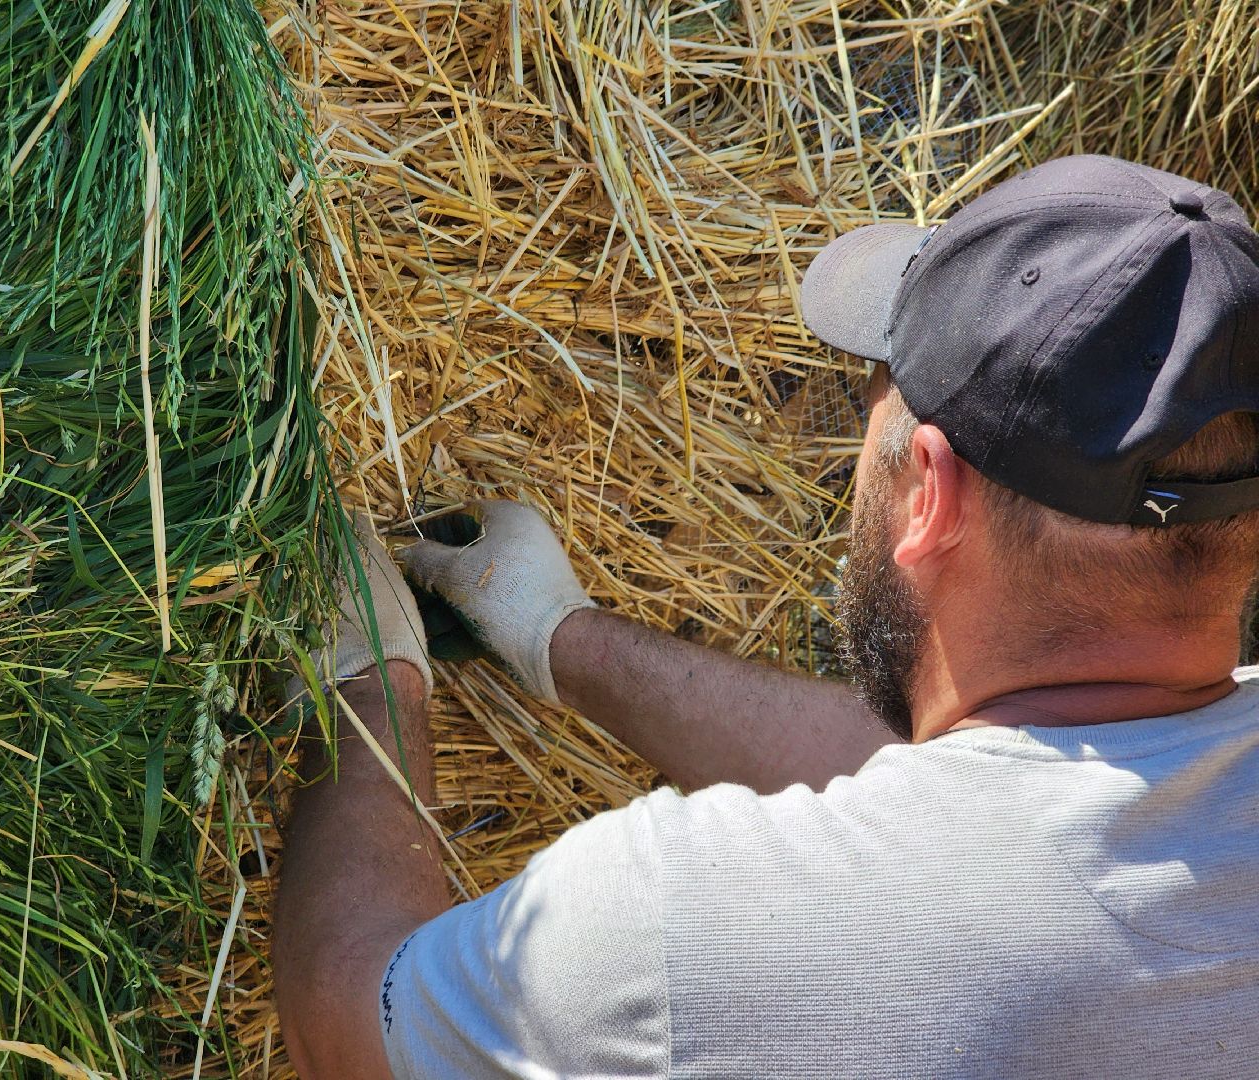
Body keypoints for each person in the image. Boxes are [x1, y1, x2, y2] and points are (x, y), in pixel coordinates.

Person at [273, 155, 1259, 1078]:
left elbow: (348, 1015)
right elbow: (963, 800)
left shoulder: (681, 937)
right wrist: (562, 637)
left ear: (933, 494)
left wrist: (369, 684)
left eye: (878, 400)